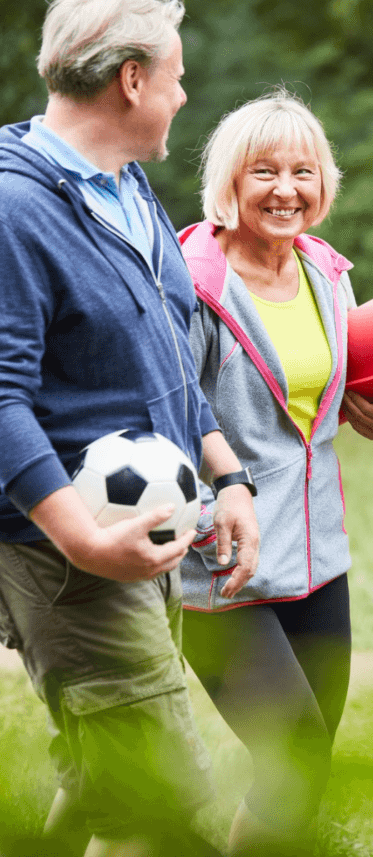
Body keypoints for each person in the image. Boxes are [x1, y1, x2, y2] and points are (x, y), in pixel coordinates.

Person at [0, 1, 261, 855]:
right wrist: (82, 541)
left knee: (103, 784)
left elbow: (170, 366)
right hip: (69, 561)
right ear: (133, 78)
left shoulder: (127, 188)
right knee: (169, 808)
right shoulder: (14, 210)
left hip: (143, 541)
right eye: (176, 76)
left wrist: (226, 477)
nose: (185, 96)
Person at [177, 90, 373, 855]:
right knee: (296, 758)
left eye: (303, 171)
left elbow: (329, 394)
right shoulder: (192, 283)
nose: (287, 189)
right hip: (223, 563)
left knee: (305, 771)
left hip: (318, 562)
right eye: (265, 171)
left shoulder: (325, 273)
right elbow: (166, 408)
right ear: (230, 183)